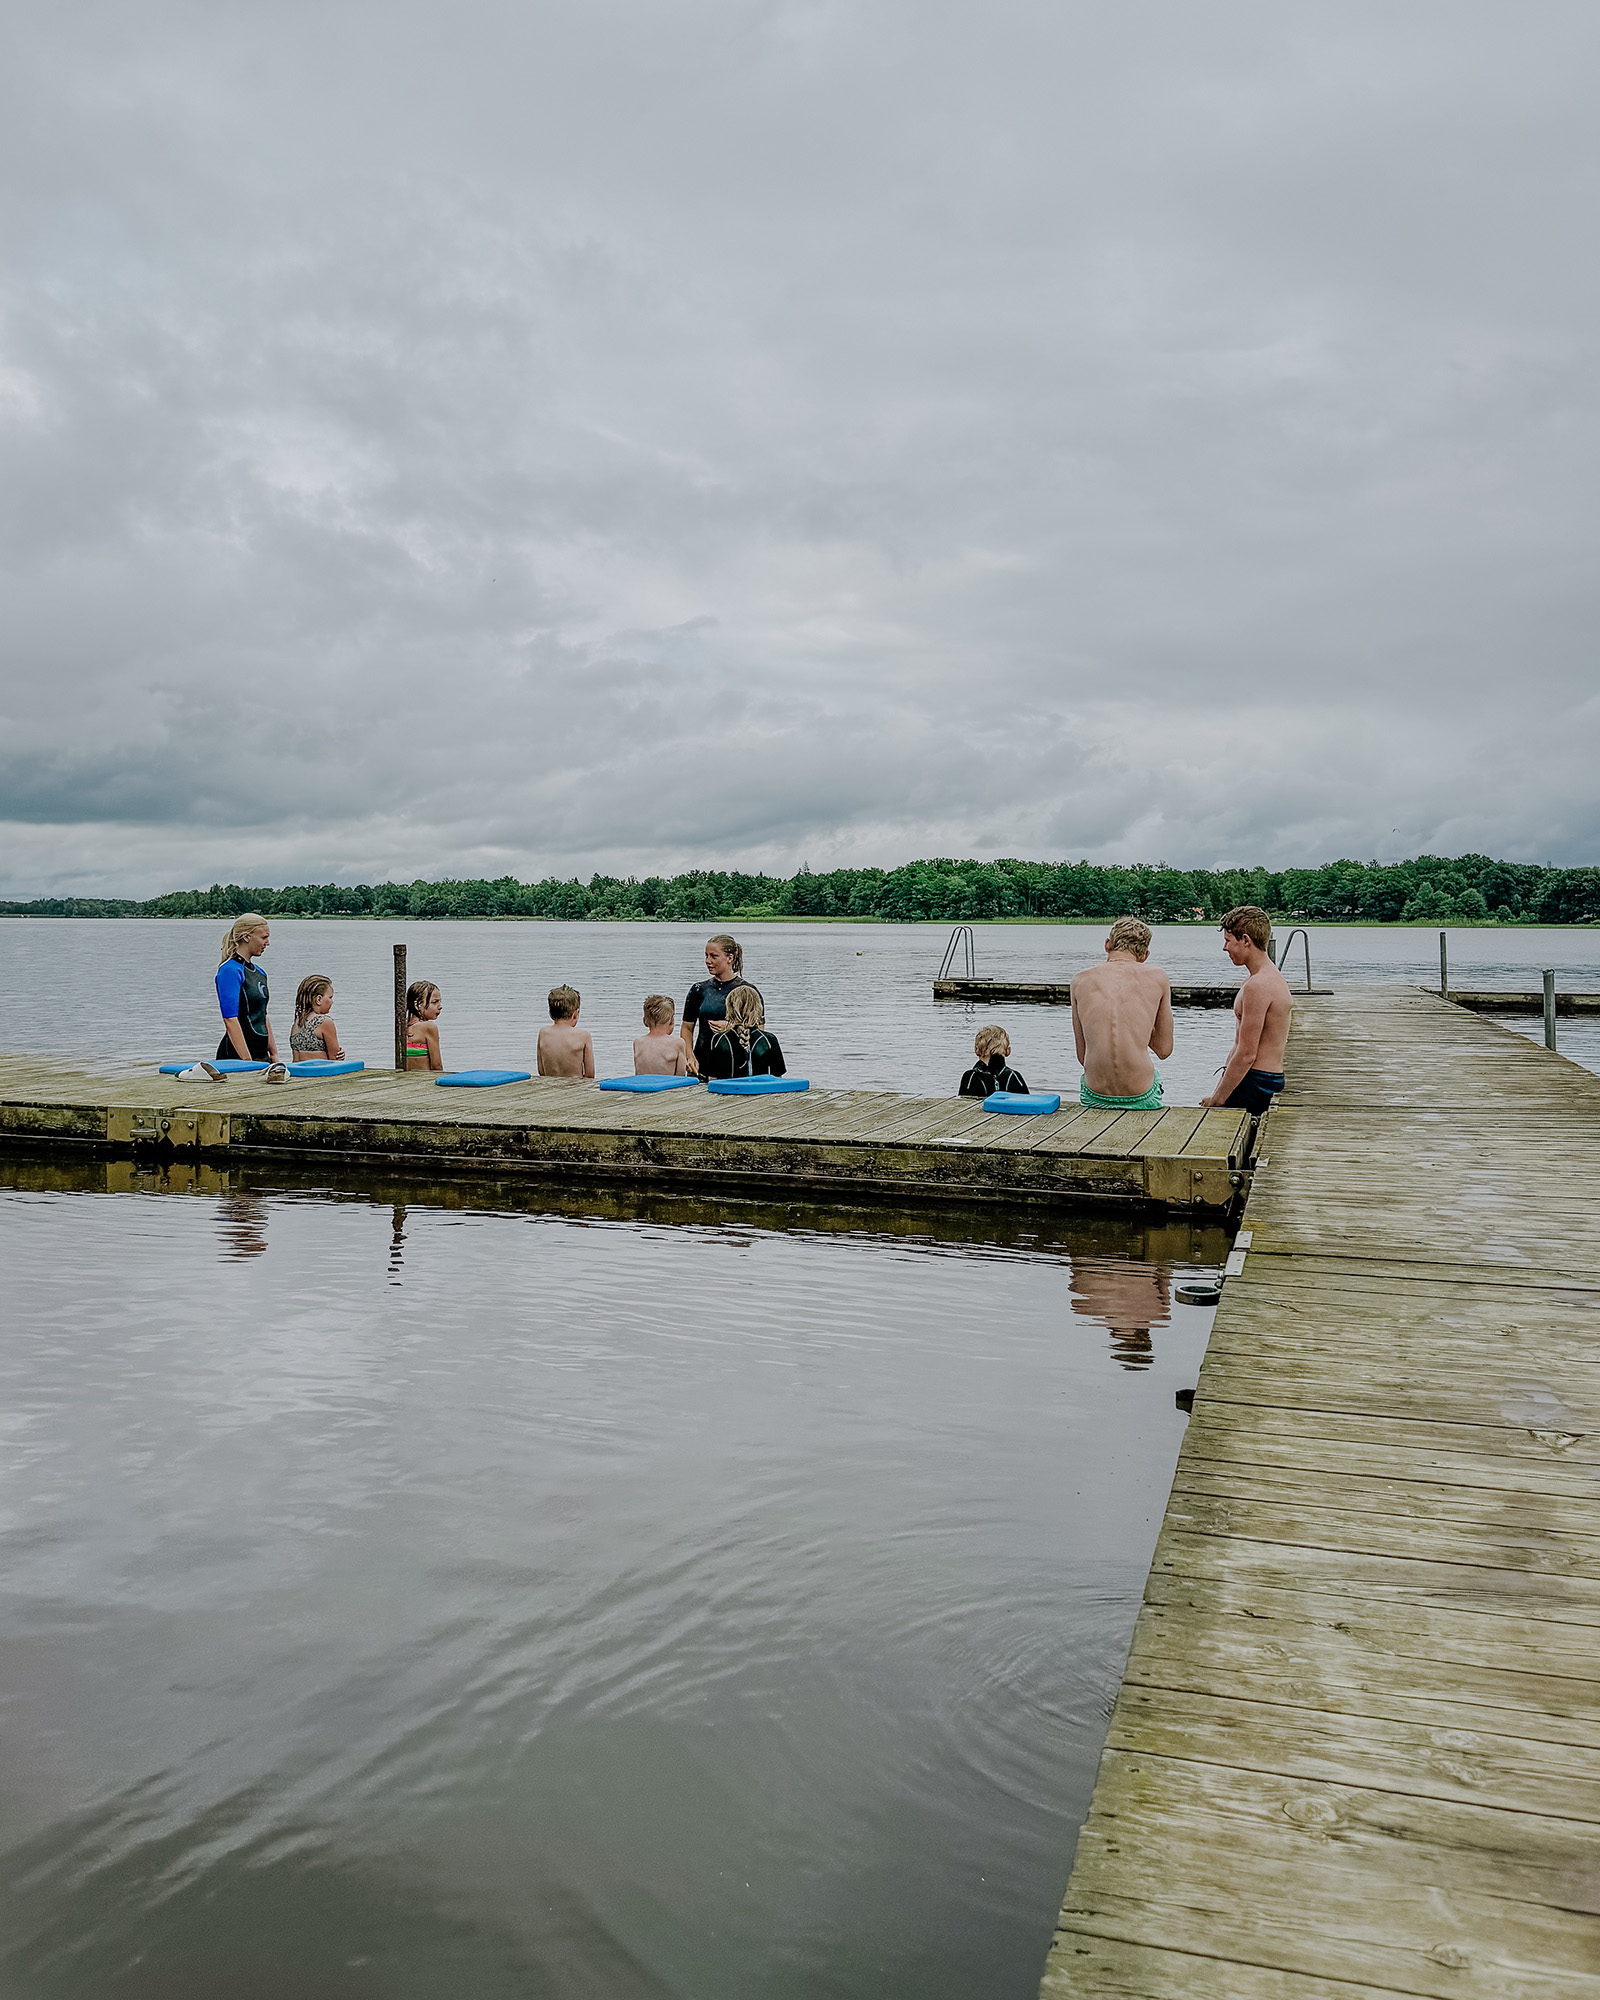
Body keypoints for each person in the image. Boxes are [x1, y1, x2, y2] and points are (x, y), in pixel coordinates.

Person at [1071, 917, 1174, 1110]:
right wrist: (1139, 1023)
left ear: (1107, 945)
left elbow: (1082, 1056)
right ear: (1144, 955)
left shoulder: (1079, 981)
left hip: (1095, 1093)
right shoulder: (1158, 978)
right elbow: (1164, 1049)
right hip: (1142, 1093)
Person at [1201, 906, 1293, 1114]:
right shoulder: (1267, 978)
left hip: (1257, 1080)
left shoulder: (1258, 986)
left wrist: (1217, 1100)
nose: (1225, 948)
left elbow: (1246, 1053)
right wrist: (1218, 1091)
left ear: (1245, 940)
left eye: (1227, 940)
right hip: (1262, 1077)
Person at [681, 935, 758, 1077]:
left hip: (735, 1069)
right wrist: (689, 1056)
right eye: (706, 956)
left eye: (714, 956)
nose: (707, 961)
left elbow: (759, 1032)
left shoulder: (747, 991)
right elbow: (687, 1028)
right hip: (701, 1067)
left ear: (730, 958)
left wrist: (732, 1027)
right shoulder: (698, 989)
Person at [215, 914, 279, 1063]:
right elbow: (230, 1019)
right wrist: (246, 1060)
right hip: (237, 1055)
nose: (267, 943)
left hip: (261, 1054)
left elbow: (262, 1015)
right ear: (246, 937)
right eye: (263, 937)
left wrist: (273, 1053)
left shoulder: (260, 973)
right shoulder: (230, 970)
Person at [703, 985, 786, 1079]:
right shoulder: (769, 1039)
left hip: (728, 1092)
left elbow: (712, 1078)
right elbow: (778, 1076)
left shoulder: (719, 1039)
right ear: (758, 1009)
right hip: (761, 1091)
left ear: (729, 1009)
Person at [538, 985, 596, 1077]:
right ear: (575, 1014)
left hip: (550, 1088)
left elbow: (541, 1071)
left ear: (550, 1014)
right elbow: (590, 1075)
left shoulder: (543, 1033)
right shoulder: (583, 1035)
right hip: (575, 1088)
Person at [959, 1025, 1029, 1098]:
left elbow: (961, 1104)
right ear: (1008, 1051)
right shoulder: (1015, 1076)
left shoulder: (969, 1077)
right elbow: (1027, 1104)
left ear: (976, 1050)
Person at [289, 975, 345, 1061]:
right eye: (330, 997)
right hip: (319, 1072)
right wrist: (341, 1055)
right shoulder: (325, 1022)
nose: (332, 1002)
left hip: (297, 1072)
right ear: (319, 999)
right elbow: (335, 1059)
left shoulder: (297, 1022)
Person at [635, 995, 690, 1075]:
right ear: (671, 1021)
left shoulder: (638, 1042)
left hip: (643, 1086)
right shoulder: (678, 1043)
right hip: (666, 1086)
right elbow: (680, 1076)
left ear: (645, 1020)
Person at [404, 981, 444, 1071]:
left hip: (405, 1081)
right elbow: (436, 1065)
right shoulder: (428, 1027)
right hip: (424, 1081)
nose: (440, 1006)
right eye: (434, 1002)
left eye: (440, 1002)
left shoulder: (403, 1026)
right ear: (417, 1005)